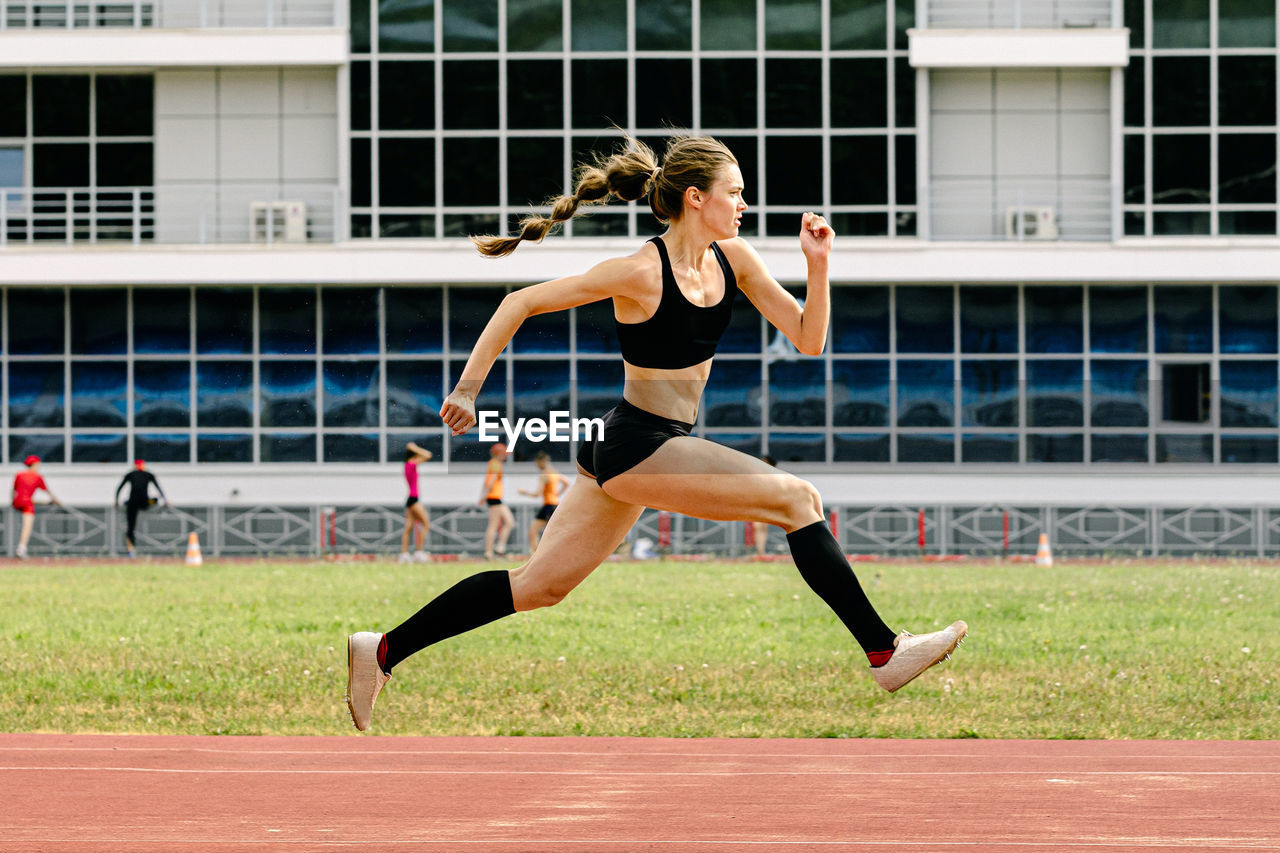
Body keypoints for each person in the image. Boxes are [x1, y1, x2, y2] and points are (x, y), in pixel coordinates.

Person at [346, 135, 967, 731]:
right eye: (736, 192)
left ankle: (382, 650)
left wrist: (819, 264)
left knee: (538, 587)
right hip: (637, 443)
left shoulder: (736, 260)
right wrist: (464, 391)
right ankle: (884, 652)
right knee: (796, 499)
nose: (745, 205)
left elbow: (808, 338)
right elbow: (519, 302)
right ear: (696, 197)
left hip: (642, 445)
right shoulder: (640, 271)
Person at [114, 459, 166, 558]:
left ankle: (131, 550)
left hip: (133, 503)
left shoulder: (131, 474)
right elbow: (159, 488)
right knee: (155, 500)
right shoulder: (148, 474)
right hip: (144, 502)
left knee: (130, 528)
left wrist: (117, 501)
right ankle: (131, 550)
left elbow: (119, 488)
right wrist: (164, 500)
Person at [518, 451, 567, 554]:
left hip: (548, 505)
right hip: (555, 504)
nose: (537, 466)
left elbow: (537, 494)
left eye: (537, 463)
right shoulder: (554, 472)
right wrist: (557, 494)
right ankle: (546, 554)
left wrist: (524, 492)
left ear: (541, 462)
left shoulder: (544, 475)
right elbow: (567, 482)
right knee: (554, 533)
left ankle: (536, 556)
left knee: (533, 531)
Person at [12, 455, 60, 559]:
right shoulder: (37, 476)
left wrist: (12, 502)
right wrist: (56, 500)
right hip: (27, 503)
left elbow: (14, 490)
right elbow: (47, 491)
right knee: (27, 526)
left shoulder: (19, 475)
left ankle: (47, 503)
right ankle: (21, 549)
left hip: (17, 501)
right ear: (34, 465)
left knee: (30, 503)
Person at [399, 442, 433, 563]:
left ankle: (404, 554)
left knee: (408, 528)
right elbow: (428, 455)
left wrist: (413, 449)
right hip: (414, 499)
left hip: (411, 499)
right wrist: (416, 448)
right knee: (426, 524)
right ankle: (419, 552)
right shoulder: (411, 464)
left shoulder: (407, 465)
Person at [480, 442, 515, 561]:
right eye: (504, 454)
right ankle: (489, 552)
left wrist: (483, 496)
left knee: (509, 522)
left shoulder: (493, 463)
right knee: (493, 525)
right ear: (498, 454)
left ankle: (499, 548)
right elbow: (490, 482)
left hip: (496, 497)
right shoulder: (496, 464)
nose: (505, 456)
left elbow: (486, 482)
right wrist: (483, 496)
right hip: (494, 497)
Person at [752, 455, 778, 557]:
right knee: (758, 527)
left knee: (762, 527)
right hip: (757, 502)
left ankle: (761, 551)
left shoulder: (773, 475)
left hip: (766, 502)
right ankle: (759, 551)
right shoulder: (757, 474)